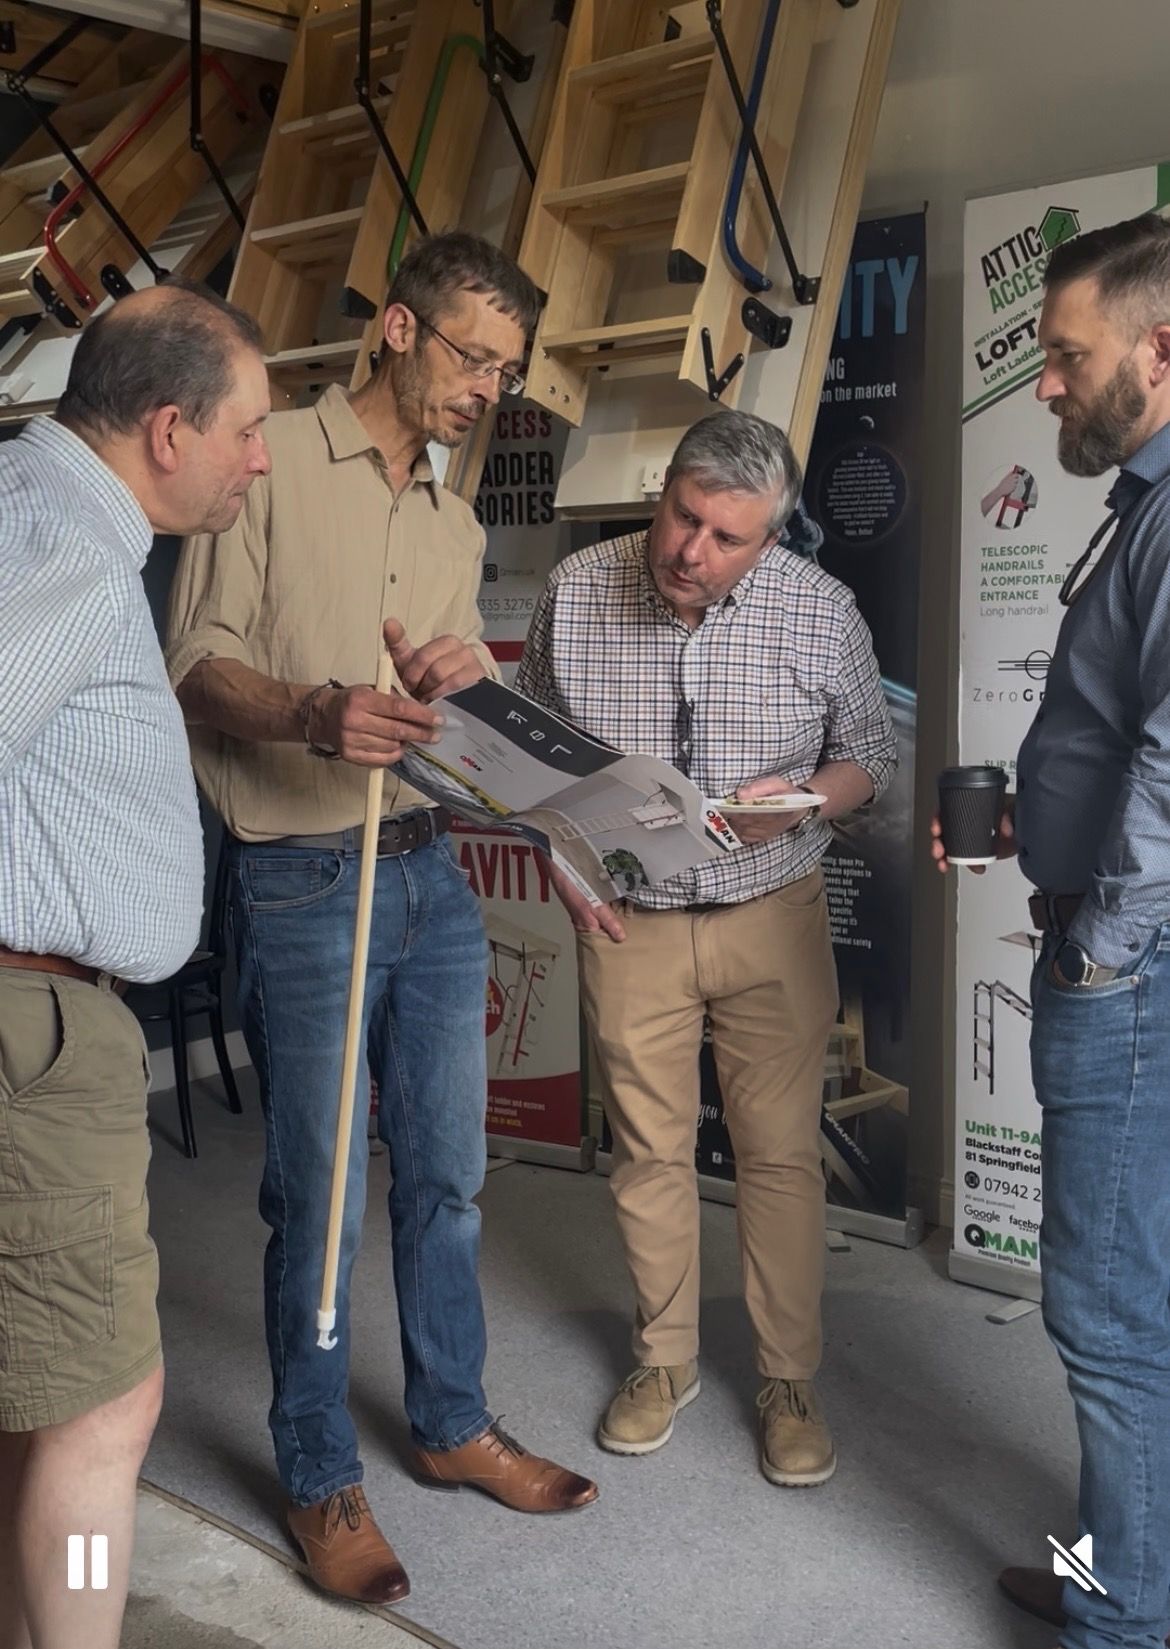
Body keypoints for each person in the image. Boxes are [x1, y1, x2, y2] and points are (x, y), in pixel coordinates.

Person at [166, 231, 597, 1609]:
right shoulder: (269, 457)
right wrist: (310, 709)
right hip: (301, 876)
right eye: (475, 356)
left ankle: (452, 1420)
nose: (489, 387)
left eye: (507, 369)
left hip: (430, 869)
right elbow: (190, 664)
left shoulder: (455, 519)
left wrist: (464, 695)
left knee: (452, 1174)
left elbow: (442, 733)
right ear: (400, 331)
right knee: (320, 1189)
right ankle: (313, 1468)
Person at [515, 409, 895, 1484]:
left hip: (772, 911)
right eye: (683, 518)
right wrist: (553, 851)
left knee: (778, 1153)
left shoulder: (821, 611)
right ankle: (662, 1358)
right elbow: (535, 756)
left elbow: (870, 759)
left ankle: (787, 1378)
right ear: (663, 489)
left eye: (728, 538)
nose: (692, 552)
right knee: (647, 1147)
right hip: (628, 916)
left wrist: (812, 796)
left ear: (771, 537)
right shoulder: (577, 590)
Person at [0, 281, 271, 1649]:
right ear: (169, 429)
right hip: (32, 1029)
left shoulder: (35, 509)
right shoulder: (58, 532)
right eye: (249, 428)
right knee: (108, 1405)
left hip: (36, 1019)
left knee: (41, 1397)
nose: (258, 457)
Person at [933, 212, 1170, 1649]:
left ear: (1159, 346)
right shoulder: (1143, 502)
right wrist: (1047, 822)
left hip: (1132, 971)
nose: (1044, 386)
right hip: (1126, 934)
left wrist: (1097, 946)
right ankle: (1114, 1565)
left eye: (1066, 355)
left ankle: (1120, 1618)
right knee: (1136, 1297)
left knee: (1100, 1313)